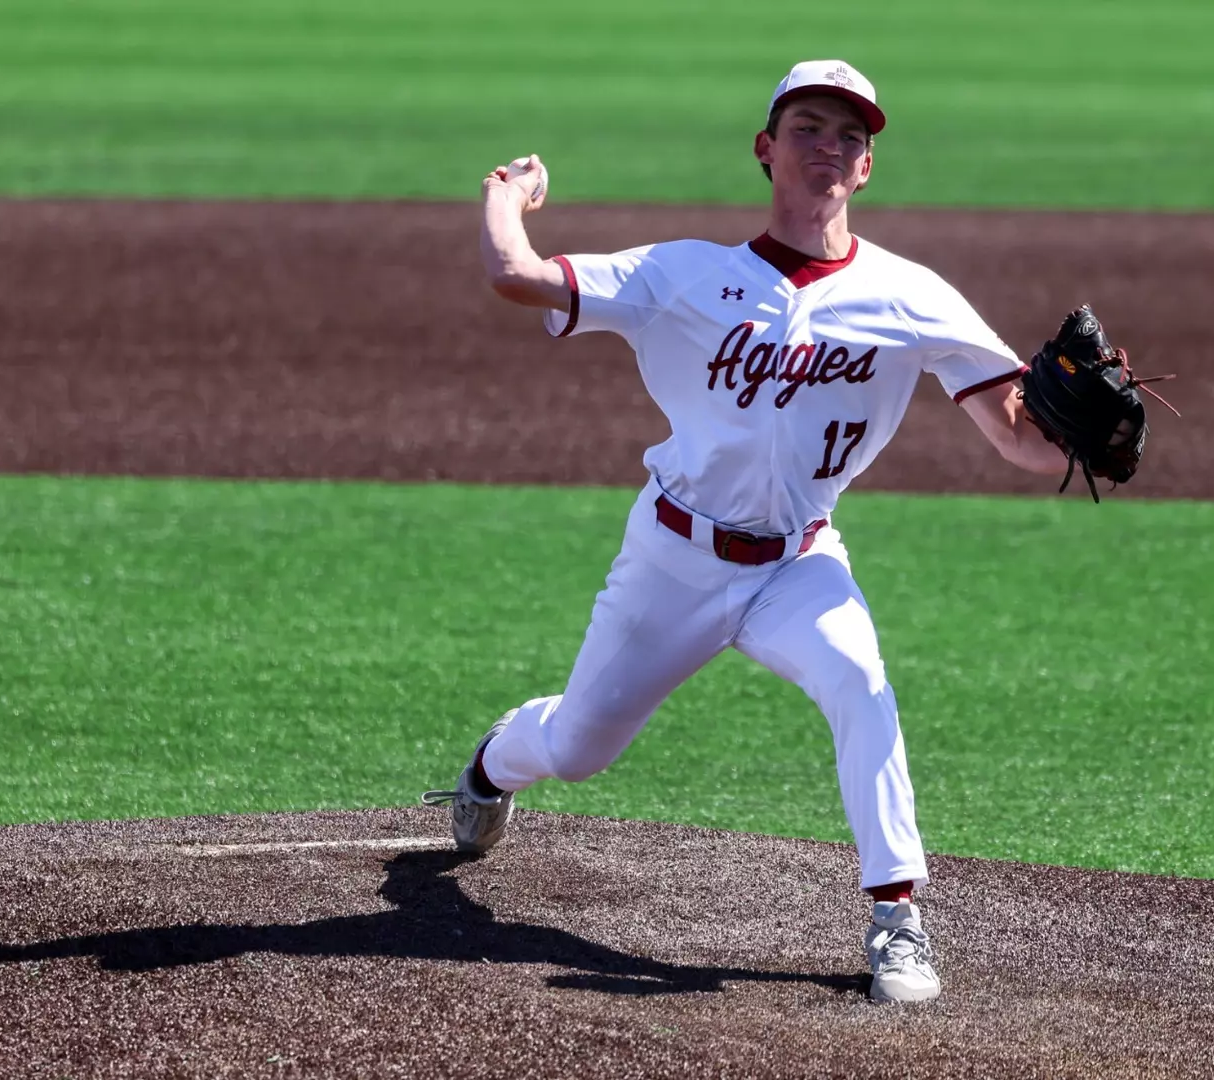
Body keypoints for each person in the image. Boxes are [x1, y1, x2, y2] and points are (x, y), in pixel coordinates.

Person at [423, 59, 1073, 1004]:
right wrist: (503, 197)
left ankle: (898, 915)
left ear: (868, 169)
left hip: (798, 564)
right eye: (808, 128)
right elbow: (514, 275)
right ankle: (492, 764)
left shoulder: (913, 295)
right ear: (766, 149)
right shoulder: (682, 275)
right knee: (577, 749)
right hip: (674, 559)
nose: (831, 147)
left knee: (861, 681)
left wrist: (1076, 445)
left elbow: (1019, 439)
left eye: (851, 136)